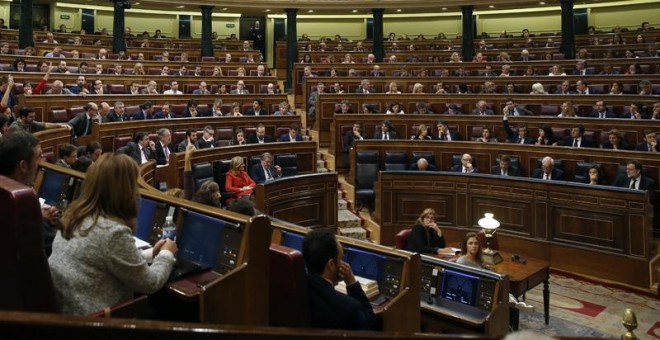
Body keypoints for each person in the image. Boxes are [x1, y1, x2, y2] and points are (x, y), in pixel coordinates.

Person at [48, 153, 177, 315]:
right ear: (125, 190)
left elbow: (101, 258)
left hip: (68, 311)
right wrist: (166, 254)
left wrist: (152, 253)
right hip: (100, 321)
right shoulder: (113, 232)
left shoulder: (73, 216)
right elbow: (150, 283)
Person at [303, 229, 376, 330]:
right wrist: (352, 283)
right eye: (341, 258)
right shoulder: (349, 307)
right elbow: (369, 325)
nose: (343, 263)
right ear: (331, 265)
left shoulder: (295, 287)